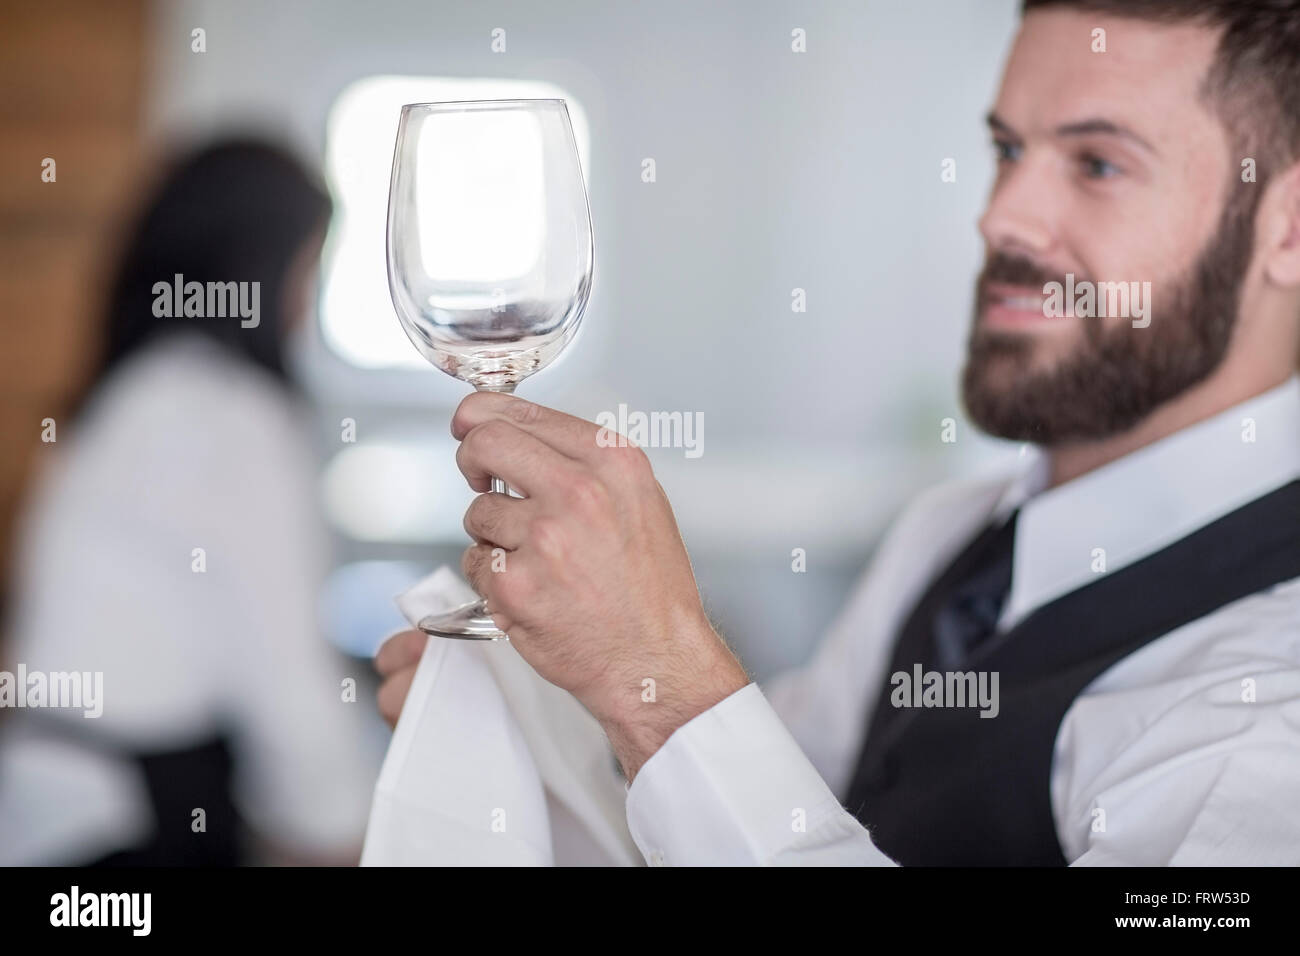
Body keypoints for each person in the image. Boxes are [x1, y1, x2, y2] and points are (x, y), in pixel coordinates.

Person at [377, 0, 1300, 866]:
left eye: (1098, 163)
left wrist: (656, 680)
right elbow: (767, 817)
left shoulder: (1271, 703)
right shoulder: (947, 536)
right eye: (1007, 151)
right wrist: (539, 739)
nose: (1000, 216)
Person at [0, 139, 374, 865]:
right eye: (307, 268)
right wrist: (348, 833)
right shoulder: (228, 416)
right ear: (258, 265)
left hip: (56, 806)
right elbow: (285, 675)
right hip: (128, 829)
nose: (308, 301)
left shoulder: (137, 392)